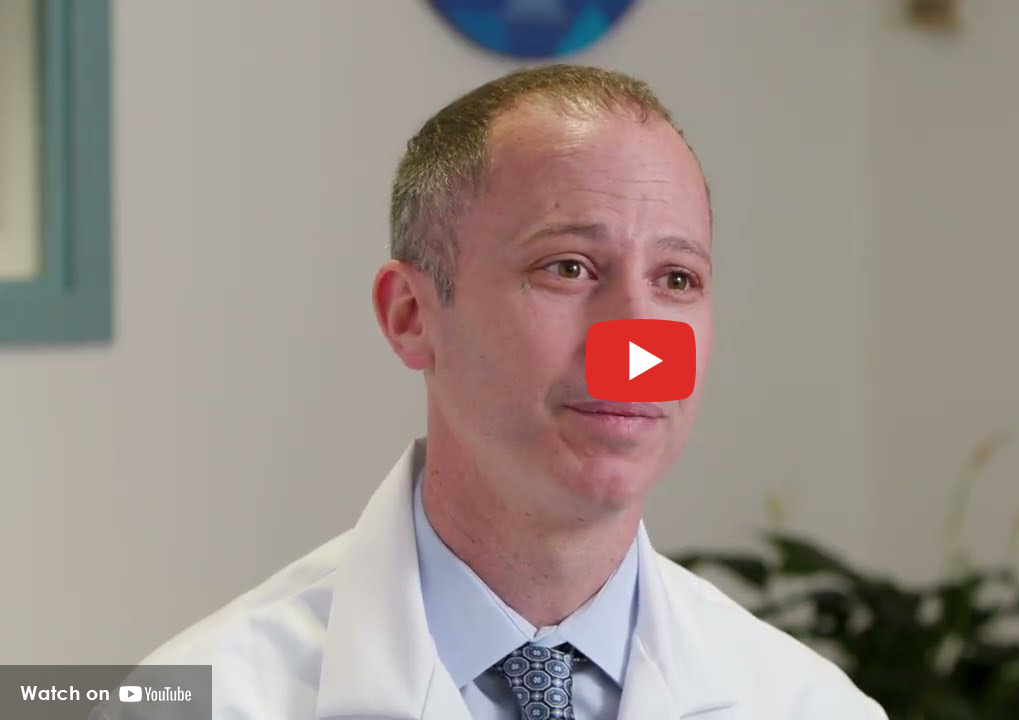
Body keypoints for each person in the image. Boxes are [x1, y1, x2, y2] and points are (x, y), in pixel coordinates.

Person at [141, 64, 886, 720]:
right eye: (567, 268)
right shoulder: (204, 699)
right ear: (411, 317)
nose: (636, 345)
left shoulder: (810, 706)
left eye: (676, 280)